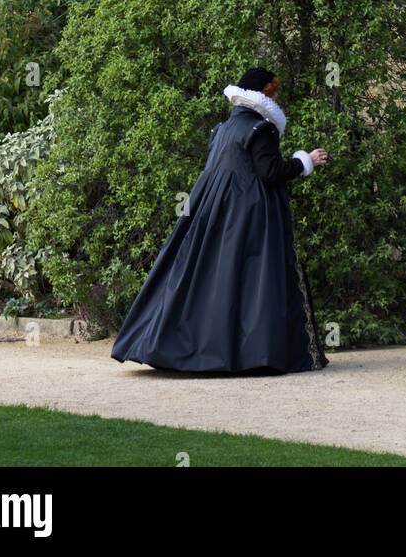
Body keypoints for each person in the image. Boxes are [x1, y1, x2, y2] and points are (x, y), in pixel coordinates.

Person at [111, 67, 330, 374]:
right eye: (274, 92)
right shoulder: (260, 128)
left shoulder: (223, 129)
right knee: (252, 279)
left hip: (209, 208)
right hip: (250, 212)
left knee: (210, 277)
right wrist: (304, 161)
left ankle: (194, 347)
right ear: (264, 95)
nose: (277, 98)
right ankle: (250, 354)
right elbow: (269, 172)